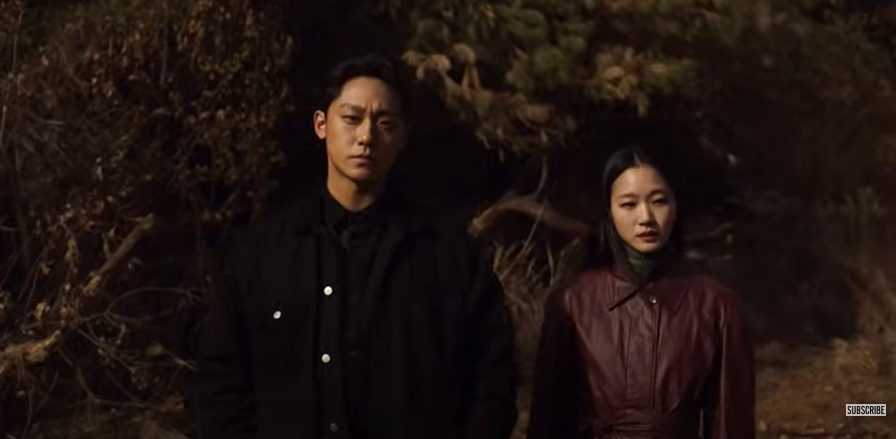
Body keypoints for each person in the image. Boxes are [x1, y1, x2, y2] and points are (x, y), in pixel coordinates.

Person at [197, 53, 518, 439]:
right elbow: (221, 382)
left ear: (403, 137)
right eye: (351, 118)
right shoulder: (263, 254)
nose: (366, 137)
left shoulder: (449, 255)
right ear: (321, 125)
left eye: (385, 123)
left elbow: (492, 379)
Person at [526, 146, 755, 439]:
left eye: (658, 201)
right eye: (629, 204)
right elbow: (548, 422)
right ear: (610, 212)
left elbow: (731, 425)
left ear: (675, 208)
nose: (646, 216)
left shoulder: (715, 305)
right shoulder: (573, 300)